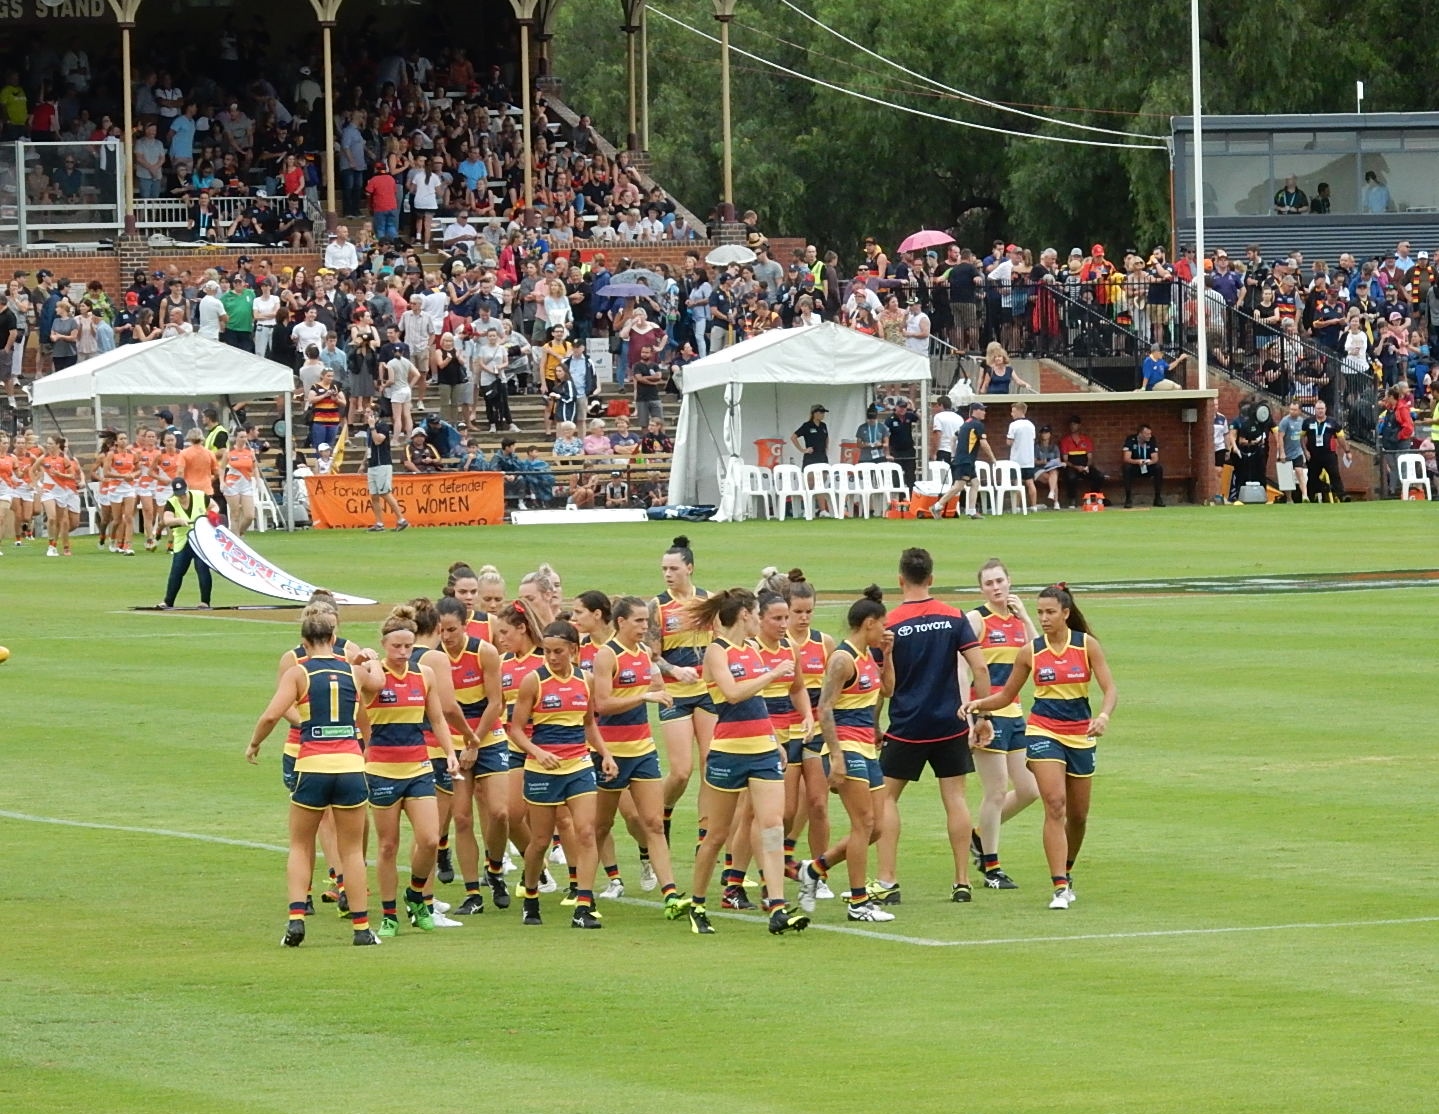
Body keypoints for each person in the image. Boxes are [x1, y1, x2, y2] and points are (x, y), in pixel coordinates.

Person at [965, 584, 1117, 911]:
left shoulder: (1087, 646)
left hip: (1080, 734)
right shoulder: (1030, 651)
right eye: (1040, 613)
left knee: (1078, 816)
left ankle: (1069, 868)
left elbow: (1109, 688)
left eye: (1050, 612)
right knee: (1055, 803)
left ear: (1065, 613)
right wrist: (977, 705)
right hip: (1042, 731)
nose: (1044, 618)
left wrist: (1103, 716)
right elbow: (1006, 695)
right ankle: (1059, 885)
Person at [245, 606, 385, 946]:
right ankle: (362, 929)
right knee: (351, 851)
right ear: (334, 639)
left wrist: (254, 744)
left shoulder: (298, 672)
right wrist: (373, 659)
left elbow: (271, 715)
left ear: (304, 641)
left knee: (300, 844)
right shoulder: (352, 672)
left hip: (312, 766)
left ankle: (296, 921)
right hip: (350, 767)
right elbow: (373, 694)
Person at [684, 588, 810, 936]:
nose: (759, 620)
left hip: (763, 750)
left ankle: (778, 907)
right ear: (744, 615)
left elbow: (760, 703)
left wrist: (771, 736)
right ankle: (696, 903)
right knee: (716, 834)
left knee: (772, 826)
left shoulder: (752, 648)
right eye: (756, 614)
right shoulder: (716, 651)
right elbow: (733, 693)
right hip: (729, 751)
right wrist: (772, 673)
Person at [871, 548, 993, 906]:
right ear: (932, 579)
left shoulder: (889, 624)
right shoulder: (954, 617)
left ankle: (888, 880)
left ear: (900, 580)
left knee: (888, 798)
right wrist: (983, 715)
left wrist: (875, 722)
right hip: (950, 723)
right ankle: (962, 881)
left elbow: (881, 680)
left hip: (907, 724)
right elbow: (981, 670)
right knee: (955, 798)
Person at [795, 586, 898, 922]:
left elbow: (887, 689)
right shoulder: (842, 659)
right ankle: (858, 903)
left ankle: (814, 870)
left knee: (877, 828)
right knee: (863, 823)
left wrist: (889, 653)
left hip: (867, 746)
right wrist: (836, 756)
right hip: (846, 746)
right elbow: (824, 709)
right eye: (882, 625)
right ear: (868, 623)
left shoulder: (869, 655)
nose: (885, 630)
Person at [507, 620, 616, 929]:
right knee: (540, 841)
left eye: (558, 651)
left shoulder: (587, 680)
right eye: (547, 651)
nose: (552, 657)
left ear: (574, 650)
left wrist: (605, 754)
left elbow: (589, 724)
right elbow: (515, 729)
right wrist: (538, 752)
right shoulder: (533, 681)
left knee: (585, 832)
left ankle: (583, 903)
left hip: (579, 765)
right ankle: (530, 896)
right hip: (542, 769)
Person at [589, 595, 688, 917]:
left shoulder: (644, 653)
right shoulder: (607, 655)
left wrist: (663, 687)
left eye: (647, 621)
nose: (646, 626)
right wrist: (645, 695)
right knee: (600, 825)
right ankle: (592, 888)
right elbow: (602, 703)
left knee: (654, 823)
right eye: (639, 621)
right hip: (611, 753)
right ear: (620, 622)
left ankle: (670, 893)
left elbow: (655, 682)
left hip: (643, 750)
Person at [365, 605, 460, 938]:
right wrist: (365, 659)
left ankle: (415, 895)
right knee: (388, 845)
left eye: (408, 646)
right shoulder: (372, 674)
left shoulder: (424, 675)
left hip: (418, 767)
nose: (403, 652)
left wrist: (449, 752)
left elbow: (436, 719)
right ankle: (389, 915)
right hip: (381, 769)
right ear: (384, 644)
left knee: (430, 839)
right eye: (396, 646)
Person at [963, 560, 1040, 889]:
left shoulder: (1018, 622)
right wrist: (972, 715)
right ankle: (992, 867)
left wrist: (1025, 617)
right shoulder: (976, 620)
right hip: (987, 715)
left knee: (1029, 790)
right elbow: (963, 669)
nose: (996, 587)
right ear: (982, 588)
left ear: (1010, 582)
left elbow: (1040, 656)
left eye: (1000, 581)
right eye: (989, 583)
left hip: (1015, 713)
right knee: (994, 791)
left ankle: (978, 836)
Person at [647, 536, 717, 848]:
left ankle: (705, 835)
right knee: (680, 771)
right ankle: (662, 812)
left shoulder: (708, 601)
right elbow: (652, 655)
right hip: (674, 693)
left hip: (706, 692)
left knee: (709, 763)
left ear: (689, 568)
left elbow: (720, 643)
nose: (668, 574)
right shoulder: (657, 606)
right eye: (664, 569)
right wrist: (674, 670)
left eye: (673, 568)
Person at [157, 477, 216, 609]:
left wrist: (211, 515)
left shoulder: (200, 495)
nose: (182, 497)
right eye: (179, 495)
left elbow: (214, 506)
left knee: (202, 569)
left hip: (200, 539)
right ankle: (168, 601)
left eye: (183, 493)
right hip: (183, 540)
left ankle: (205, 601)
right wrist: (178, 520)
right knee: (177, 571)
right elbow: (167, 519)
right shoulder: (172, 502)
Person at [930, 402, 995, 519]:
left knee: (975, 483)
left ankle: (971, 511)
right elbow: (984, 443)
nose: (984, 412)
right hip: (966, 460)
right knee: (958, 486)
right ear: (975, 411)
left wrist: (954, 454)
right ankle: (937, 506)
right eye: (982, 410)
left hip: (963, 459)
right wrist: (993, 458)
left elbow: (953, 438)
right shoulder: (977, 424)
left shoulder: (966, 423)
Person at [362, 406, 409, 532]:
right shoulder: (368, 429)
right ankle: (379, 523)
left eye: (368, 412)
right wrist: (363, 463)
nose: (365, 414)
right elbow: (370, 447)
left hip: (382, 463)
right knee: (374, 495)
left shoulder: (382, 426)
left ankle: (401, 519)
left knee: (384, 492)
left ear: (375, 414)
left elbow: (378, 441)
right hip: (373, 464)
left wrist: (372, 427)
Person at [1302, 400, 1350, 503]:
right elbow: (1302, 438)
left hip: (1329, 455)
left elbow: (1341, 438)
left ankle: (1342, 496)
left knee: (1335, 475)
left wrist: (1347, 451)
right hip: (1313, 455)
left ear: (1325, 410)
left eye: (1322, 409)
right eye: (1318, 409)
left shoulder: (1333, 422)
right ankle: (1310, 498)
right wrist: (1305, 451)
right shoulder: (1307, 422)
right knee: (1312, 477)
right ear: (1314, 410)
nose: (1320, 411)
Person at [1059, 414, 1106, 508]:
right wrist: (1076, 467)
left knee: (1099, 476)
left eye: (1075, 424)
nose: (1073, 426)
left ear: (1079, 425)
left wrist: (1086, 467)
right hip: (1072, 467)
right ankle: (1072, 500)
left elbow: (1090, 458)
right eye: (1071, 424)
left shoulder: (1086, 439)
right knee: (1070, 477)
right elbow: (1065, 460)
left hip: (1084, 466)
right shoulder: (1065, 441)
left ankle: (1093, 497)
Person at [1121, 424, 1165, 508]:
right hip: (1135, 466)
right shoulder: (1131, 440)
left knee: (1158, 468)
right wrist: (1137, 461)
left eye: (1150, 433)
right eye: (1147, 434)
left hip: (1147, 466)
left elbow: (1155, 458)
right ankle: (1128, 499)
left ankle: (1158, 498)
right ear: (1140, 434)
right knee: (1126, 468)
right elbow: (1126, 458)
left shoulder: (1152, 440)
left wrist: (1149, 462)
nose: (1149, 436)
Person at [1005, 400, 1039, 510]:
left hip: (1016, 460)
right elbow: (1033, 440)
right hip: (1028, 460)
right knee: (1030, 482)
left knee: (1017, 483)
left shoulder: (1013, 425)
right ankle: (1033, 506)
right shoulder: (1031, 425)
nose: (1012, 413)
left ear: (1020, 411)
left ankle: (1018, 506)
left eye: (1013, 411)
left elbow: (1009, 442)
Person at [1275, 399, 1309, 503]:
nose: (1292, 411)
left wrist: (1305, 450)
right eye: (1291, 409)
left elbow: (1302, 438)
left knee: (1299, 471)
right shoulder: (1285, 421)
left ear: (1299, 411)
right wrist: (1282, 452)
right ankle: (1289, 498)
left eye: (1295, 410)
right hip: (1286, 452)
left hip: (1297, 451)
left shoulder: (1301, 421)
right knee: (1287, 476)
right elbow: (1280, 437)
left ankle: (1305, 495)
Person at [884, 397, 920, 486]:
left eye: (904, 407)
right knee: (896, 477)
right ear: (896, 407)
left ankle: (911, 497)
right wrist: (887, 453)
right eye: (900, 407)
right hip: (896, 452)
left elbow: (922, 418)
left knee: (911, 476)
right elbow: (886, 437)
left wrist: (914, 409)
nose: (902, 409)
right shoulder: (890, 419)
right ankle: (899, 498)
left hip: (908, 451)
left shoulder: (909, 416)